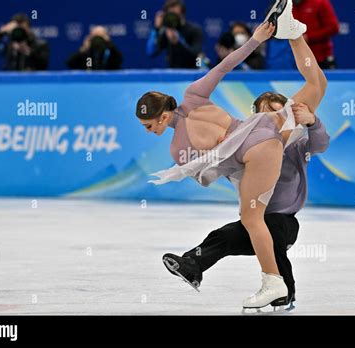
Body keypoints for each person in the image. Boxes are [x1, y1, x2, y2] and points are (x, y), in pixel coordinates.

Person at [136, 0, 326, 309]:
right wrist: (255, 40)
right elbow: (225, 65)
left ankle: (273, 283)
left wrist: (197, 166)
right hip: (265, 127)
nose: (148, 131)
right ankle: (293, 34)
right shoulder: (193, 94)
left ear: (160, 117)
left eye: (147, 125)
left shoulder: (176, 147)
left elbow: (212, 174)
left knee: (251, 217)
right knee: (317, 87)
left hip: (254, 150)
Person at [163, 95, 329, 309]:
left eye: (280, 114)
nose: (274, 120)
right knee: (223, 236)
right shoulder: (247, 145)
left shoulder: (296, 147)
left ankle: (284, 292)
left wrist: (312, 121)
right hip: (254, 222)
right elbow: (212, 169)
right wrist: (220, 150)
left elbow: (321, 143)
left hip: (284, 222)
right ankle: (191, 264)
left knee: (273, 229)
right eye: (266, 115)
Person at [146, 0, 203, 68]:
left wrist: (178, 41)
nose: (173, 17)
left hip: (192, 74)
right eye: (170, 13)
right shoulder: (166, 32)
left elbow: (195, 54)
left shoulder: (195, 30)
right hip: (172, 74)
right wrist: (156, 29)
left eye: (175, 13)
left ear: (182, 12)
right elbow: (151, 52)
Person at [292, 0, 339, 69]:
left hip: (321, 58)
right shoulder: (288, 5)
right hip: (299, 58)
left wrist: (309, 37)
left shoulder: (320, 2)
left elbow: (333, 27)